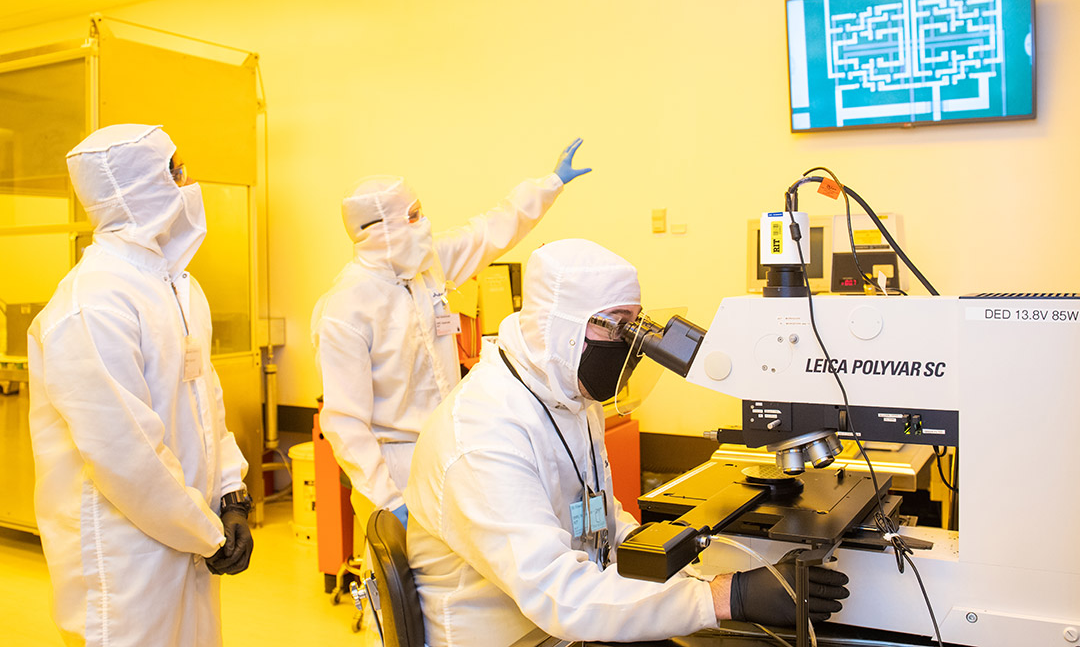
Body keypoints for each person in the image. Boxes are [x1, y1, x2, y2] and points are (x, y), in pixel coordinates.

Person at [405, 239, 850, 646]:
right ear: (561, 329)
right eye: (617, 325)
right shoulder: (482, 436)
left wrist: (663, 555)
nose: (632, 344)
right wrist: (724, 597)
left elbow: (595, 510)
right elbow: (560, 595)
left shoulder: (568, 394)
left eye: (635, 323)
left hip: (567, 628)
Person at [28, 124, 253, 647]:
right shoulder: (93, 303)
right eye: (176, 171)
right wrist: (204, 530)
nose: (188, 182)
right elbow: (127, 455)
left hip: (188, 536)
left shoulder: (176, 284)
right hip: (125, 559)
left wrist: (229, 493)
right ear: (138, 187)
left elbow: (205, 400)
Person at [311, 139, 590, 528]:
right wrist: (387, 499)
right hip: (394, 467)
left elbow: (489, 231)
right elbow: (345, 422)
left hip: (446, 450)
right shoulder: (346, 308)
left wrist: (550, 184)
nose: (424, 223)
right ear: (379, 228)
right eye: (412, 215)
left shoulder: (427, 267)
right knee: (406, 584)